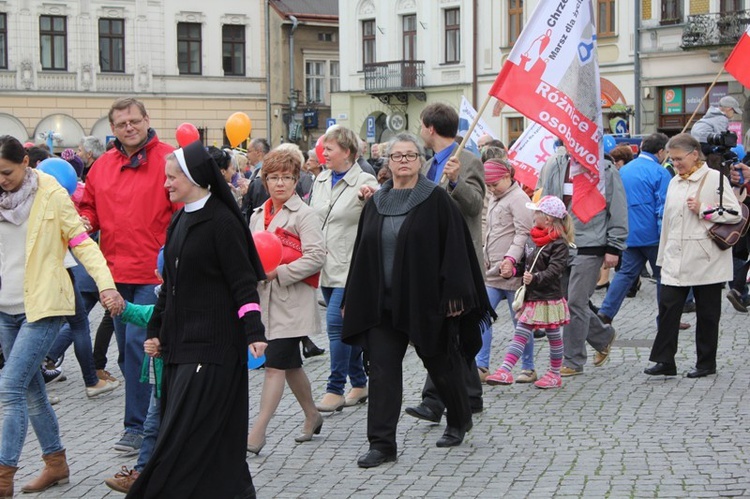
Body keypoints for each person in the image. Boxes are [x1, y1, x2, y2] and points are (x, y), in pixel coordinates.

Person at [341, 133, 493, 468]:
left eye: (411, 155)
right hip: (383, 304)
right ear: (389, 163)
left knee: (440, 364)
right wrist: (353, 295)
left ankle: (459, 417)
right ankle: (382, 444)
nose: (404, 161)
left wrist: (455, 294)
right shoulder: (377, 203)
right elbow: (361, 254)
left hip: (426, 300)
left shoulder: (436, 200)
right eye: (398, 156)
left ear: (419, 161)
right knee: (382, 370)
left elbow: (456, 247)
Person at [128, 140, 267, 498]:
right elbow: (170, 286)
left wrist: (254, 329)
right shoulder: (180, 219)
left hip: (213, 347)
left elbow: (242, 282)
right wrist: (157, 331)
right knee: (209, 437)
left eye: (172, 177)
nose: (166, 184)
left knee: (184, 436)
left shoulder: (222, 222)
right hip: (180, 345)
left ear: (194, 178)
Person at [0, 135, 123, 497]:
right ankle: (57, 464)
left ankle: (3, 476)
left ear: (25, 162)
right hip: (5, 310)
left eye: (6, 172)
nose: (1, 180)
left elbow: (82, 242)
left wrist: (107, 285)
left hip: (44, 304)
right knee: (32, 390)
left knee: (9, 387)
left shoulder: (51, 194)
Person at [78, 97, 177, 456]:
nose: (129, 128)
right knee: (128, 355)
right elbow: (87, 206)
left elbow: (184, 209)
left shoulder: (169, 159)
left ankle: (140, 427)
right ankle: (150, 422)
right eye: (121, 124)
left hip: (156, 275)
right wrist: (86, 221)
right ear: (113, 129)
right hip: (115, 274)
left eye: (134, 121)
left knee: (144, 350)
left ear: (147, 120)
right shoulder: (102, 166)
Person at [404, 102, 486, 424]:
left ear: (430, 128)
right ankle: (472, 395)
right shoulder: (426, 167)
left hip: (459, 263)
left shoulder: (468, 160)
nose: (421, 131)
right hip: (432, 262)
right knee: (453, 332)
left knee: (443, 333)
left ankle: (433, 401)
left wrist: (456, 182)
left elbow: (475, 206)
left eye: (421, 126)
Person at [246, 148, 327, 454]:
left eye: (287, 177)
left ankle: (257, 432)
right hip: (263, 303)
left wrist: (278, 272)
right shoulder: (256, 215)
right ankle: (312, 414)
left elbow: (317, 256)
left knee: (274, 366)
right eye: (274, 177)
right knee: (290, 365)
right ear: (265, 180)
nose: (280, 183)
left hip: (292, 302)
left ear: (296, 180)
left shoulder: (305, 214)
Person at [644, 133, 741, 378]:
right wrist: (662, 255)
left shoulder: (714, 178)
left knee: (708, 313)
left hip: (705, 258)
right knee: (667, 307)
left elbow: (734, 214)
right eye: (672, 159)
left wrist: (704, 211)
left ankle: (706, 363)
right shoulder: (675, 181)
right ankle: (665, 360)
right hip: (676, 256)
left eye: (678, 159)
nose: (675, 164)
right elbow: (667, 221)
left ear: (694, 154)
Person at [537, 148, 628, 377]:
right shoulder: (556, 164)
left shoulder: (606, 170)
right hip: (561, 244)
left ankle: (573, 360)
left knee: (576, 302)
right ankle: (603, 336)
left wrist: (614, 247)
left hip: (591, 245)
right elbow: (546, 203)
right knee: (566, 302)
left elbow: (617, 210)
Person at [310, 126, 378, 412]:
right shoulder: (321, 179)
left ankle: (334, 388)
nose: (324, 153)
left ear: (348, 152)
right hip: (324, 268)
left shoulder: (364, 180)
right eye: (324, 149)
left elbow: (374, 205)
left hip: (350, 268)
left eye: (330, 149)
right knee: (348, 329)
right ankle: (360, 383)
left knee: (336, 326)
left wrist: (368, 197)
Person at [486, 195, 573, 388]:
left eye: (537, 213)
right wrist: (513, 271)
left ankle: (554, 373)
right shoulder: (532, 239)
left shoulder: (559, 244)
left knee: (553, 336)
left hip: (549, 298)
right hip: (533, 298)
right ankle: (504, 371)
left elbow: (555, 271)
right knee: (521, 332)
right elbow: (526, 264)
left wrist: (535, 279)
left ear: (548, 218)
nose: (533, 215)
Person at [597, 133, 672, 325]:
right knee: (663, 277)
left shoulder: (624, 170)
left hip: (628, 233)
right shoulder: (660, 172)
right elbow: (662, 206)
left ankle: (606, 312)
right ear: (661, 151)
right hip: (653, 235)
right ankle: (665, 319)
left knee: (625, 275)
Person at [477, 158, 534, 382]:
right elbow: (490, 231)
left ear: (508, 177)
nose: (491, 189)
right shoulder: (494, 197)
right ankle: (482, 366)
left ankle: (528, 367)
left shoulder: (519, 199)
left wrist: (510, 259)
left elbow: (523, 233)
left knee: (520, 322)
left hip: (512, 274)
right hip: (492, 273)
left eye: (494, 184)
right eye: (488, 185)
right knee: (481, 317)